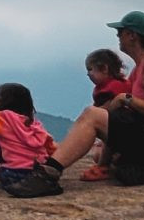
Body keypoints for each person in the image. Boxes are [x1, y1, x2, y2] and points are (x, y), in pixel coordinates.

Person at [51, 12, 144, 185]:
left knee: (92, 115)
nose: (118, 36)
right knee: (106, 156)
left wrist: (126, 99)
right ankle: (138, 169)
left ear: (132, 36)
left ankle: (49, 171)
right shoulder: (139, 69)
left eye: (121, 32)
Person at [55, 49, 131, 181]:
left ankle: (103, 166)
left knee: (103, 150)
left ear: (104, 69)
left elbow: (108, 109)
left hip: (119, 128)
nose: (88, 74)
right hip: (122, 130)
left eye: (90, 69)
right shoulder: (118, 84)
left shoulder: (113, 88)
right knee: (97, 154)